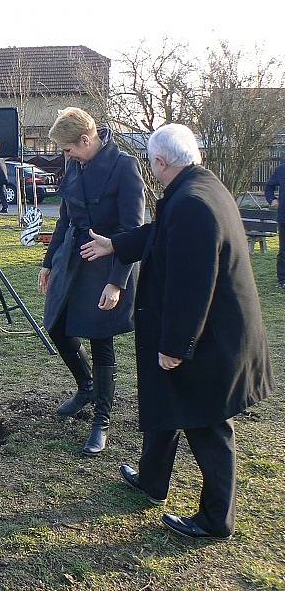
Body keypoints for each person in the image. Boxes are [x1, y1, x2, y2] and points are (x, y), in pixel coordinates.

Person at [81, 123, 273, 540]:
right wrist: (117, 245)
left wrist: (175, 347)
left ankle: (215, 519)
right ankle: (152, 481)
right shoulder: (199, 188)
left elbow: (193, 284)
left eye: (153, 165)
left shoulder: (193, 203)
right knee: (165, 405)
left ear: (162, 162)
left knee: (207, 425)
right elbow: (160, 233)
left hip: (209, 341)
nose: (153, 171)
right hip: (209, 333)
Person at [38, 107, 145, 455]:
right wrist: (49, 262)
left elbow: (132, 231)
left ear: (85, 140)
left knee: (101, 338)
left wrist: (117, 282)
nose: (65, 156)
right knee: (57, 326)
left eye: (68, 149)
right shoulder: (75, 165)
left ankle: (102, 418)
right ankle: (86, 386)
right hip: (73, 257)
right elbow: (65, 216)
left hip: (111, 261)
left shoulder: (125, 167)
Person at [263, 160, 285, 288]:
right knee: (283, 251)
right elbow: (269, 186)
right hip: (284, 217)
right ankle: (282, 280)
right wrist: (272, 200)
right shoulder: (281, 170)